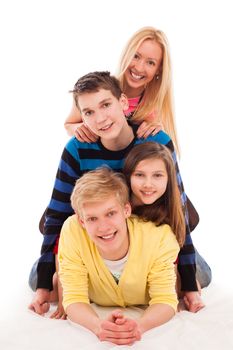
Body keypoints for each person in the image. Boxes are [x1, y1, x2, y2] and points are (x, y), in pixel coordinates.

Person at [28, 71, 201, 318]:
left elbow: (177, 208)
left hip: (149, 247)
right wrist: (44, 285)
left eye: (106, 105)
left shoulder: (155, 141)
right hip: (100, 245)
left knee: (199, 275)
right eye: (88, 113)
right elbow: (57, 215)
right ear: (82, 117)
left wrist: (189, 282)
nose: (100, 119)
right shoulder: (77, 149)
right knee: (37, 278)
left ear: (122, 102)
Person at [58, 167, 180, 345]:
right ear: (81, 221)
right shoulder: (72, 230)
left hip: (167, 254)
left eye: (110, 213)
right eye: (92, 219)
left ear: (126, 210)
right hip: (70, 257)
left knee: (195, 277)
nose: (104, 227)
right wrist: (98, 326)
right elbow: (74, 297)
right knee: (45, 281)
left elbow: (165, 300)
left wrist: (139, 327)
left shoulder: (159, 237)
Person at [64, 26, 180, 156]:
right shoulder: (98, 89)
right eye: (136, 56)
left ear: (159, 69)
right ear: (127, 54)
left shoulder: (153, 105)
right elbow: (69, 124)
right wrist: (77, 129)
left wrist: (157, 131)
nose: (139, 68)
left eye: (150, 63)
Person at [123, 142, 212, 310]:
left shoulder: (172, 205)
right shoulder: (121, 203)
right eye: (140, 175)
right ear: (129, 176)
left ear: (168, 178)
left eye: (157, 176)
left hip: (175, 250)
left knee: (202, 277)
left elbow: (183, 243)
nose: (148, 184)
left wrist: (190, 288)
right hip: (147, 256)